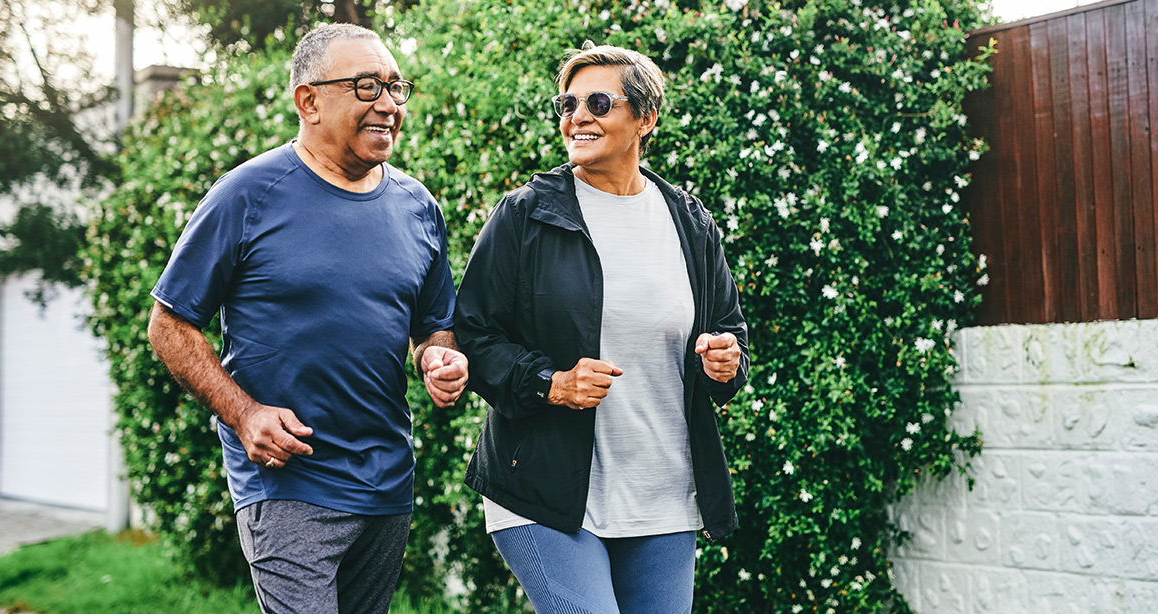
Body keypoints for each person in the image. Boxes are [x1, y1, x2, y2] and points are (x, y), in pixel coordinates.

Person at [146, 24, 467, 614]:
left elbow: (432, 325)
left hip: (388, 478)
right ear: (309, 100)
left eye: (397, 87)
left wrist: (438, 357)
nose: (390, 104)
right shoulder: (247, 194)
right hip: (289, 478)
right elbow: (169, 325)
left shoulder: (418, 206)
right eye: (368, 86)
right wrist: (244, 415)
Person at [453, 44, 750, 614]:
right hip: (545, 492)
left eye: (597, 101)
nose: (577, 116)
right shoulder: (526, 214)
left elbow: (728, 333)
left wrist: (724, 361)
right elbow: (474, 334)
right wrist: (550, 382)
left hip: (662, 494)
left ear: (645, 118)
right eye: (568, 103)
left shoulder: (689, 222)